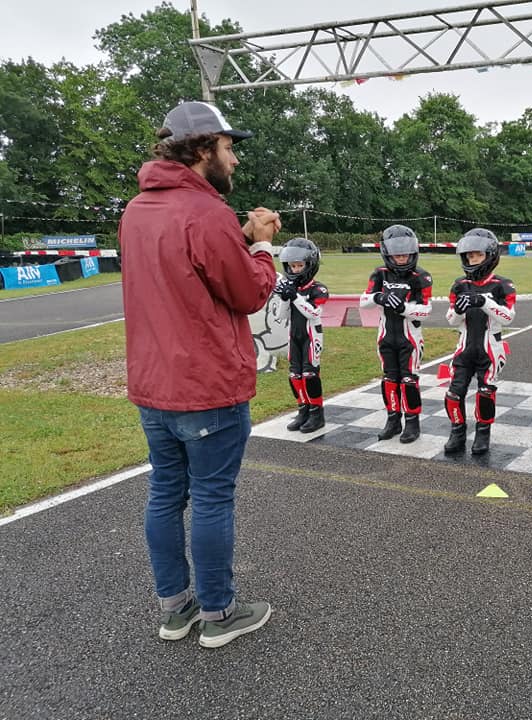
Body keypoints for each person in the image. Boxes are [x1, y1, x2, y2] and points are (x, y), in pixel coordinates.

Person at [120, 100, 278, 648]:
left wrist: (238, 238)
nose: (234, 160)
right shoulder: (206, 212)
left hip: (152, 383)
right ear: (204, 148)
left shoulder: (136, 209)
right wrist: (260, 244)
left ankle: (175, 608)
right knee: (212, 498)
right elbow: (249, 291)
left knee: (165, 493)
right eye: (230, 148)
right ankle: (219, 613)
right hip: (206, 385)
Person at [443, 228, 516, 455]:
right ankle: (457, 431)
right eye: (469, 255)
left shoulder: (503, 285)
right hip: (464, 347)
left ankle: (483, 434)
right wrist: (458, 310)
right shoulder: (459, 285)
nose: (473, 259)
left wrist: (483, 302)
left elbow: (508, 317)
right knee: (454, 393)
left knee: (485, 392)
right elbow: (451, 321)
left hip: (490, 348)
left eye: (478, 255)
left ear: (490, 256)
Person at [359, 225, 433, 443]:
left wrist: (404, 308)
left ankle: (412, 423)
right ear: (386, 252)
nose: (401, 257)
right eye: (396, 253)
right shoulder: (379, 273)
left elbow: (426, 311)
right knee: (389, 379)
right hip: (385, 336)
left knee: (409, 379)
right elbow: (363, 302)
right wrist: (379, 298)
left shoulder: (421, 276)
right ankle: (393, 420)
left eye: (405, 253)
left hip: (410, 338)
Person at [275, 237, 329, 433]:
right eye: (292, 266)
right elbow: (280, 316)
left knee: (310, 375)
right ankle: (303, 410)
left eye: (299, 266)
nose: (296, 270)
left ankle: (317, 414)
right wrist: (283, 298)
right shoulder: (291, 287)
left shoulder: (318, 289)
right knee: (294, 375)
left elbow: (314, 314)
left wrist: (294, 296)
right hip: (294, 337)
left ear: (309, 265)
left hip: (312, 337)